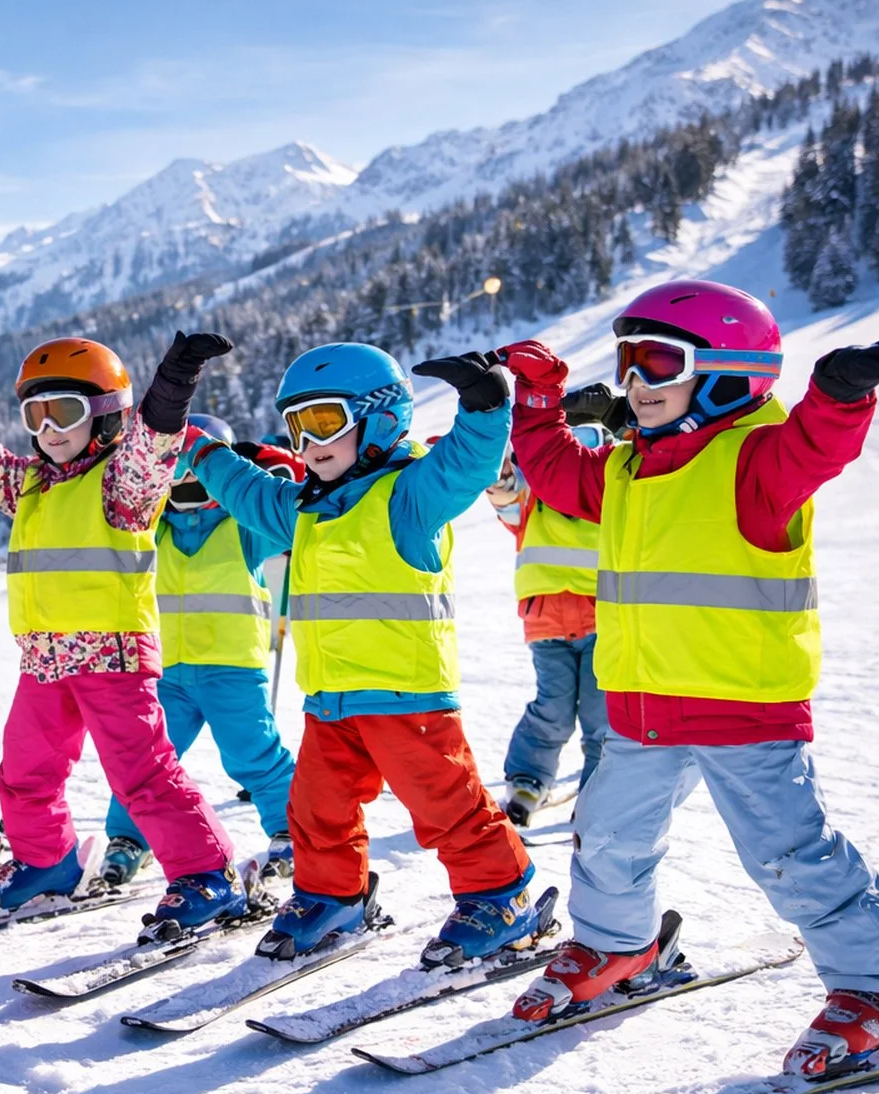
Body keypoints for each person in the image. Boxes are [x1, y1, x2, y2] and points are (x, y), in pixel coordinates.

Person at [501, 279, 879, 1076]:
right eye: (628, 364)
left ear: (727, 371)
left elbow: (817, 444)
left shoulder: (755, 460)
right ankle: (617, 946)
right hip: (642, 705)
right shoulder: (631, 469)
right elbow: (555, 472)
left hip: (740, 704)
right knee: (605, 836)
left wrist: (839, 394)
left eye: (657, 363)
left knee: (789, 853)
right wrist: (538, 401)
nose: (634, 383)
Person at [187, 343, 542, 967]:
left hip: (408, 698)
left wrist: (485, 406)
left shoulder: (410, 496)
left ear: (379, 417)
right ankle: (332, 897)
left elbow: (467, 464)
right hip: (331, 701)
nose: (309, 442)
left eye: (324, 421)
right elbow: (244, 490)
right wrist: (196, 446)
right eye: (298, 427)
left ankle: (499, 895)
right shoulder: (302, 509)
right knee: (315, 810)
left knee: (446, 806)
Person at [0, 334, 245, 937]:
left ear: (104, 416)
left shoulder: (123, 487)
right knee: (24, 771)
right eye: (36, 414)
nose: (48, 429)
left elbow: (153, 443)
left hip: (112, 661)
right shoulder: (27, 484)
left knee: (143, 774)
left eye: (65, 412)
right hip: (44, 663)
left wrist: (175, 380)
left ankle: (207, 874)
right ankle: (46, 861)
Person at [99, 414, 302, 887]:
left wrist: (271, 470)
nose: (186, 479)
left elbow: (291, 517)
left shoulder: (243, 529)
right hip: (166, 673)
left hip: (231, 670)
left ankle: (291, 831)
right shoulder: (154, 533)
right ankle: (130, 837)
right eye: (175, 470)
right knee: (145, 758)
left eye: (197, 469)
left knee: (254, 755)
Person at [482, 418, 616, 824]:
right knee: (553, 709)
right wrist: (500, 468)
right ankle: (527, 782)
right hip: (547, 626)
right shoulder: (532, 502)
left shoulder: (609, 503)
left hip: (602, 623)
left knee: (602, 715)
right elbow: (505, 494)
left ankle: (602, 796)